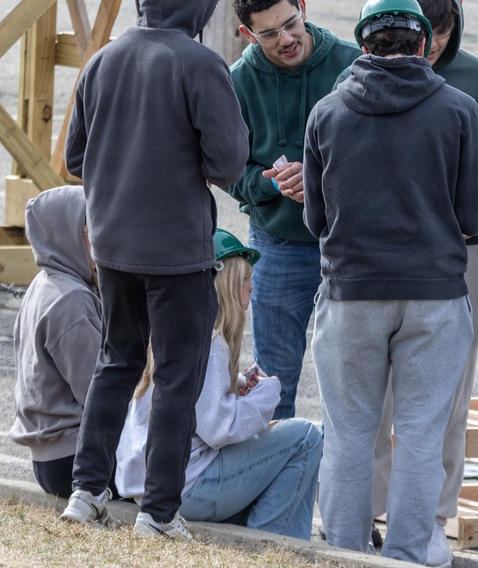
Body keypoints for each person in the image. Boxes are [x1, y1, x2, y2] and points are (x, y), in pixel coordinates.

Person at [60, 0, 249, 540]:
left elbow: (73, 159)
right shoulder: (199, 63)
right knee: (176, 377)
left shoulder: (103, 60)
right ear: (197, 3)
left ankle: (86, 491)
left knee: (116, 363)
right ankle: (159, 513)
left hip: (111, 244)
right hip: (178, 251)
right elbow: (227, 161)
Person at [303, 0, 478, 565]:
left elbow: (315, 218)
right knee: (419, 434)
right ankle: (413, 554)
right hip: (434, 294)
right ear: (423, 46)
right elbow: (473, 215)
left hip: (351, 294)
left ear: (364, 44)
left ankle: (345, 552)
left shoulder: (328, 112)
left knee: (350, 432)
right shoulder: (458, 109)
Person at [366, 0, 478, 566]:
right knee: (370, 397)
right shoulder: (366, 80)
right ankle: (369, 510)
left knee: (449, 396)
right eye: (425, 32)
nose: (433, 47)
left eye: (445, 33)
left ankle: (431, 517)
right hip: (385, 259)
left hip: (461, 254)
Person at [114, 229, 322, 540]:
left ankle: (284, 542)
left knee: (286, 450)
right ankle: (270, 546)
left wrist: (235, 384)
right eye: (244, 278)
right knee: (305, 436)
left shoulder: (173, 331)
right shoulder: (212, 343)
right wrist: (266, 395)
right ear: (225, 284)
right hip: (187, 488)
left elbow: (200, 409)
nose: (252, 286)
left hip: (149, 484)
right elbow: (218, 428)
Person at [225, 0, 362, 420]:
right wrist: (270, 185)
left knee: (353, 385)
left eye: (290, 24)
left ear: (302, 7)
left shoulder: (353, 63)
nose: (285, 38)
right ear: (248, 33)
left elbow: (381, 151)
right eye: (268, 33)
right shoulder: (238, 82)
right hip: (277, 246)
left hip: (348, 244)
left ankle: (347, 490)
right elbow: (224, 166)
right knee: (274, 384)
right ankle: (279, 487)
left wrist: (323, 177)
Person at [10, 185, 102, 499]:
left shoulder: (43, 284)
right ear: (71, 235)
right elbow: (98, 391)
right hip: (76, 459)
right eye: (96, 227)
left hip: (52, 458)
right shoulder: (71, 300)